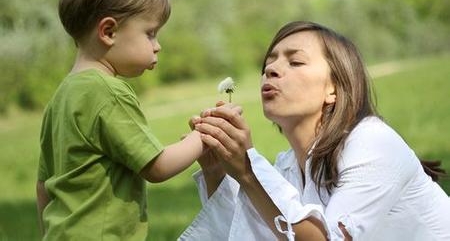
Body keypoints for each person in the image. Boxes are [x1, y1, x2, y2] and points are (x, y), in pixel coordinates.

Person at [180, 21, 450, 240]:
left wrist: (248, 170)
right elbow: (255, 234)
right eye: (268, 64)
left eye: (295, 62)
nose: (271, 69)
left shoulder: (373, 143)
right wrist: (216, 170)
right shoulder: (287, 165)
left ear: (333, 88)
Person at [36, 0, 206, 240]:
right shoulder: (109, 91)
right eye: (150, 33)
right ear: (109, 32)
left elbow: (43, 186)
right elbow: (157, 166)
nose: (157, 45)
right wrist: (201, 137)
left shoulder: (61, 97)